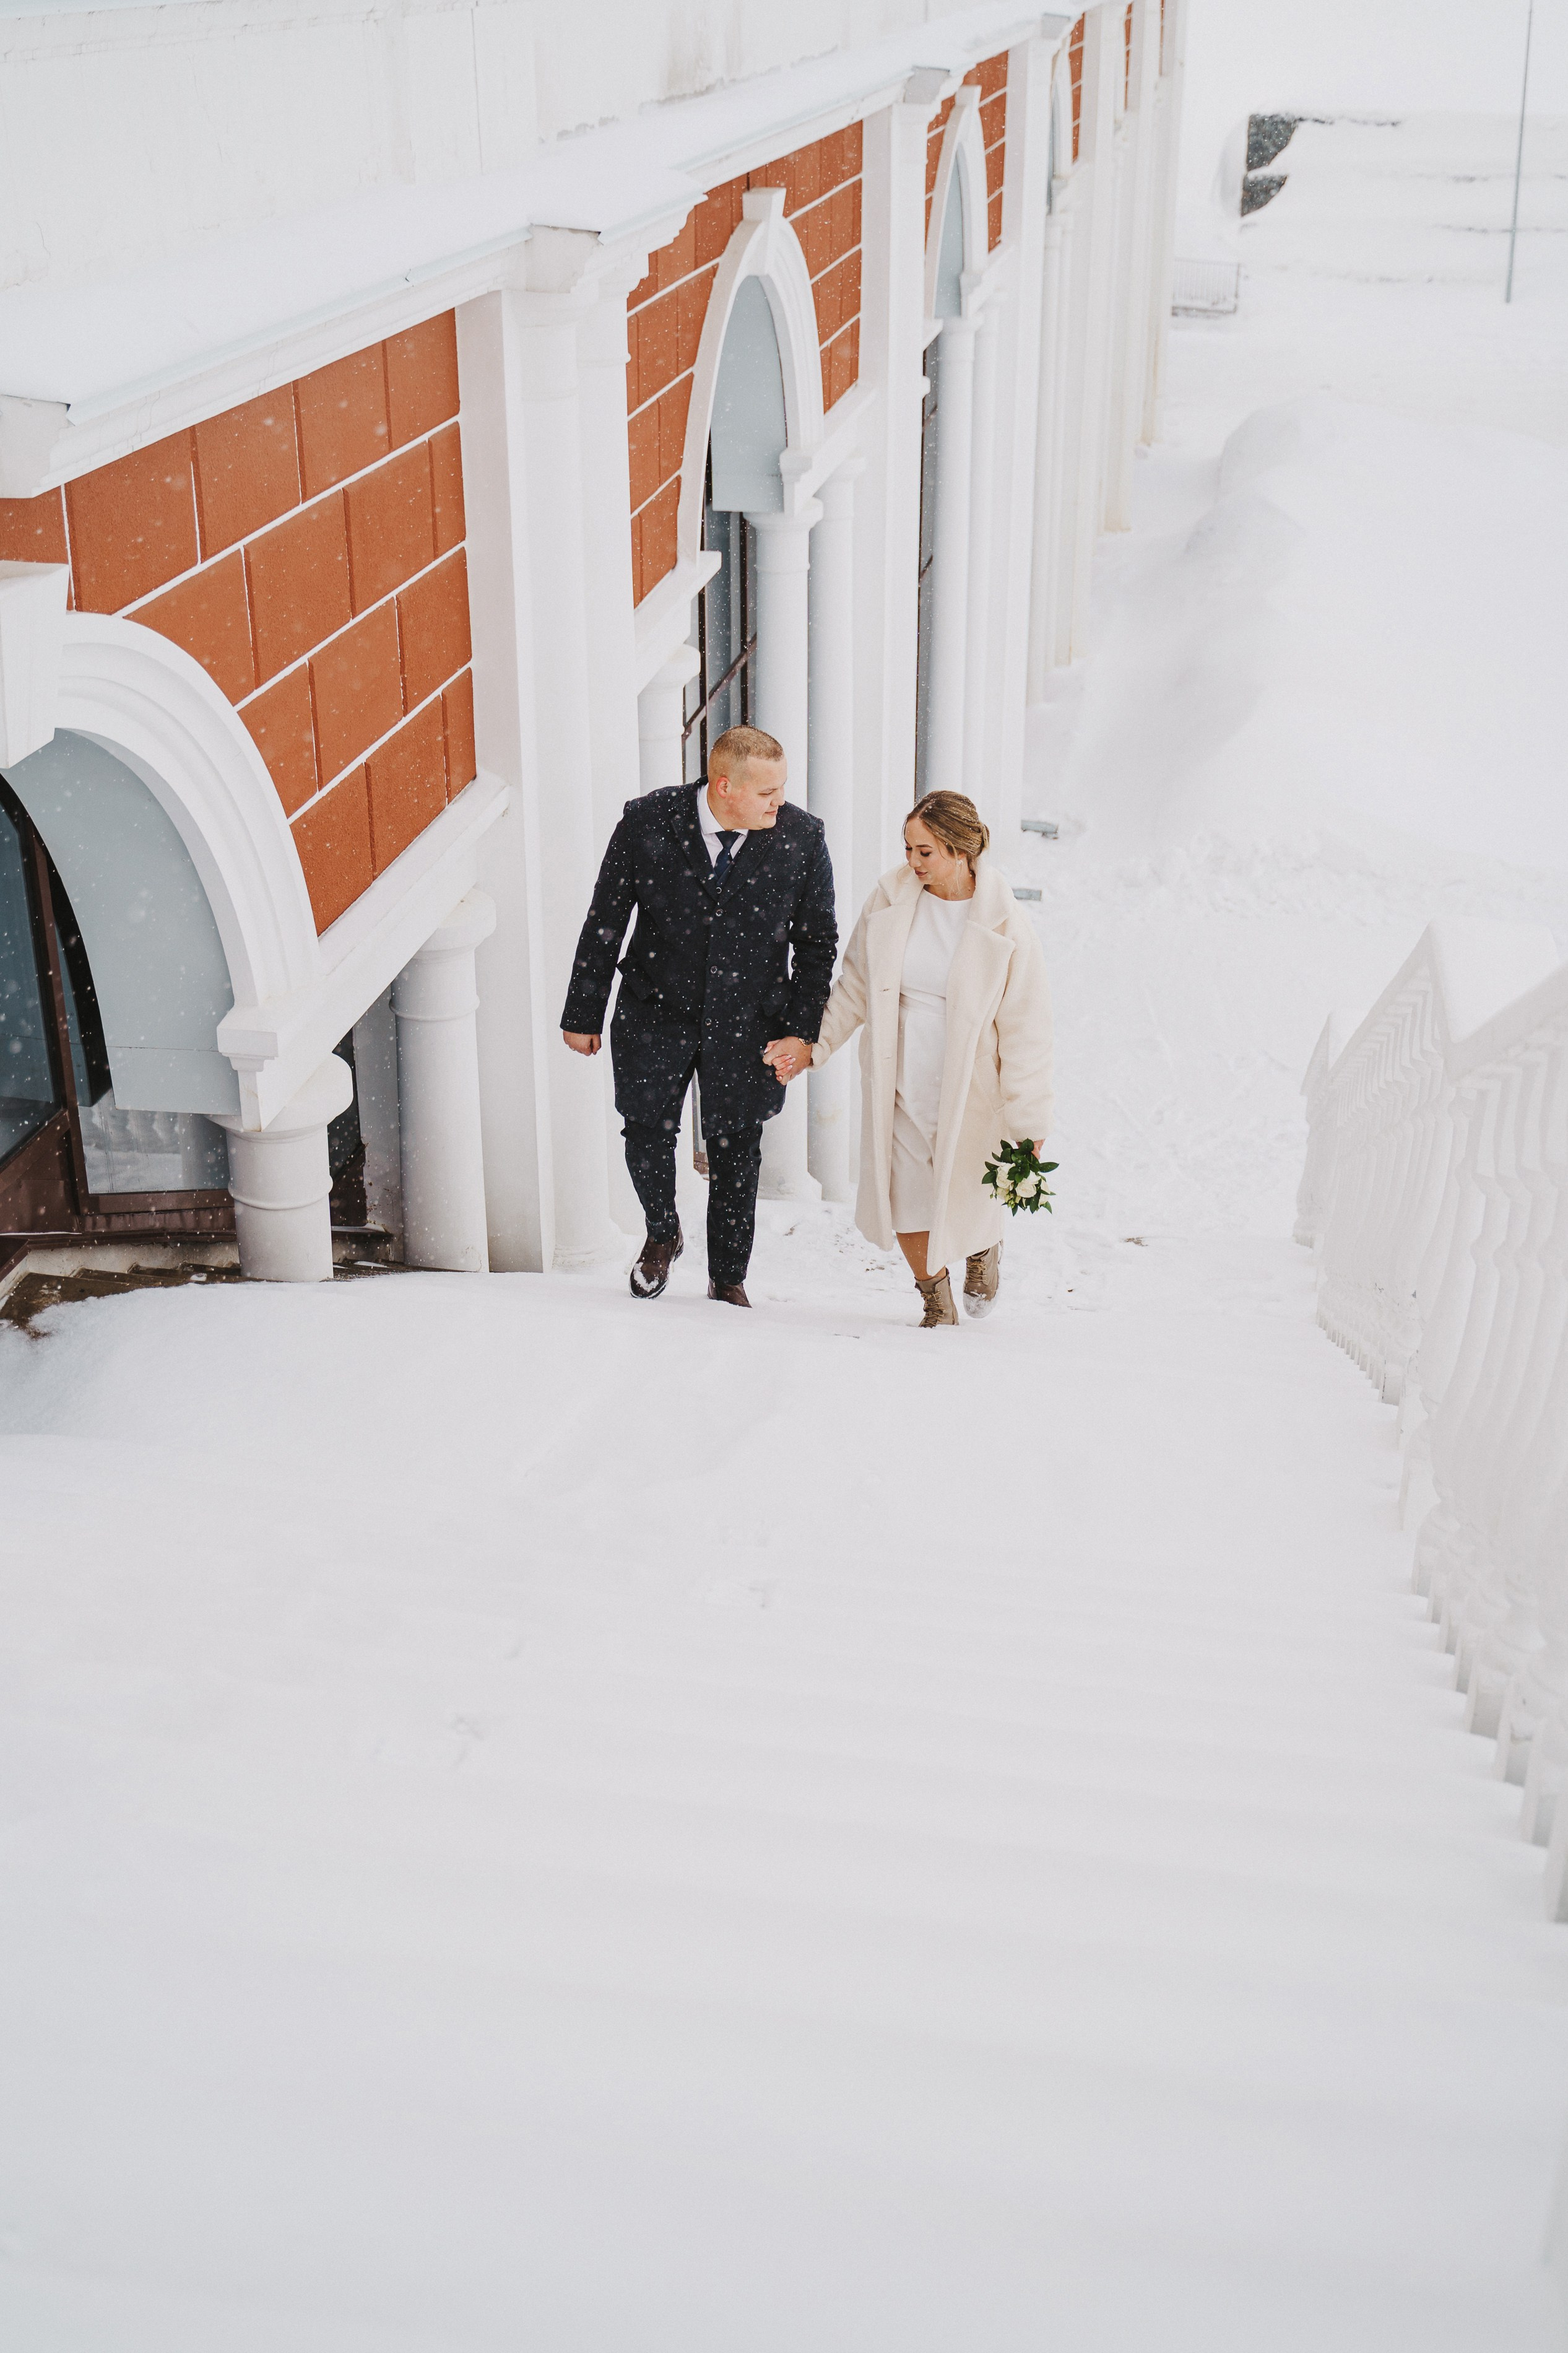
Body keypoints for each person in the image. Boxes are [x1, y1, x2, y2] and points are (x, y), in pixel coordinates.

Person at [561, 725, 837, 1307]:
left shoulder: (802, 839)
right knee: (644, 1134)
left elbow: (816, 945)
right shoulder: (646, 822)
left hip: (750, 1022)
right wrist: (583, 1010)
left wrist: (800, 1031)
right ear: (724, 786)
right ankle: (662, 1232)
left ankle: (728, 1277)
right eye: (767, 792)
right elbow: (605, 919)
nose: (779, 802)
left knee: (738, 1148)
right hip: (653, 1011)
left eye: (782, 789)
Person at [766, 789, 1052, 1329]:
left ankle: (983, 1248)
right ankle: (935, 1302)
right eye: (908, 849)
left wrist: (1029, 1117)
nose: (912, 862)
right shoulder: (890, 900)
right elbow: (855, 984)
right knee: (900, 1197)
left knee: (968, 1189)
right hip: (897, 1075)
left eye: (925, 852)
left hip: (970, 1084)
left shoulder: (1006, 924)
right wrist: (816, 1045)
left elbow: (1026, 1028)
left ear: (959, 851)